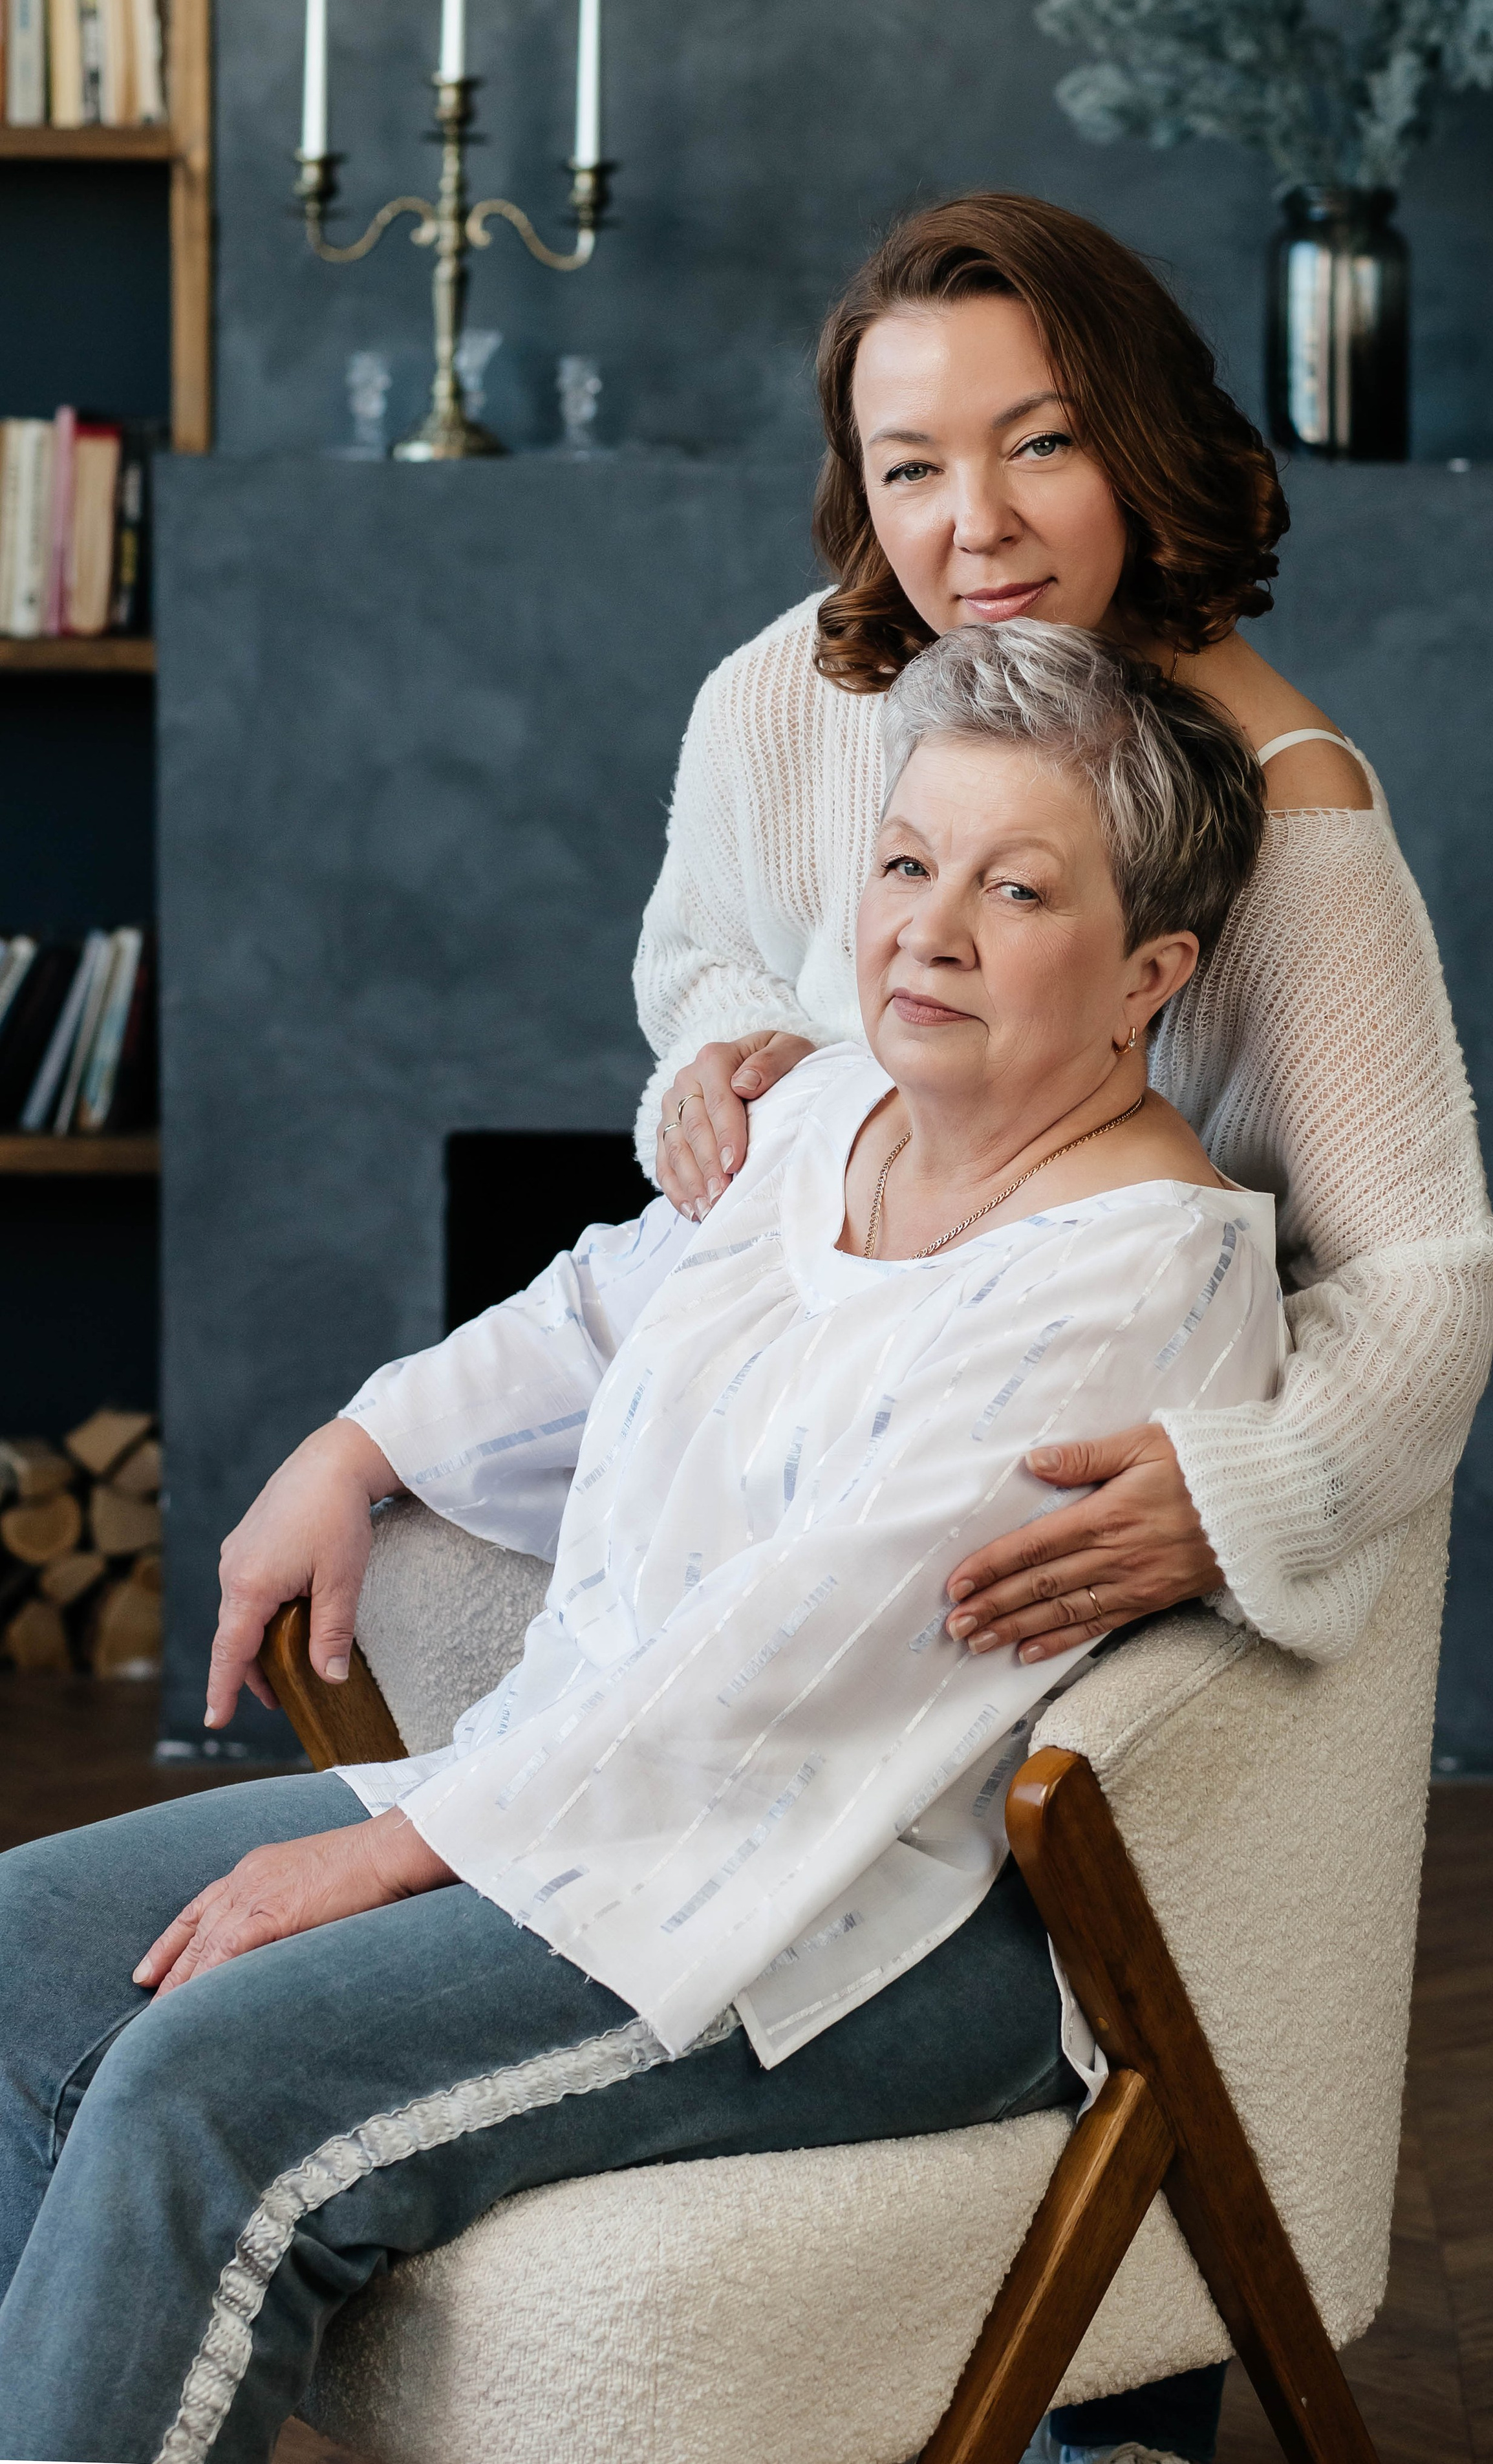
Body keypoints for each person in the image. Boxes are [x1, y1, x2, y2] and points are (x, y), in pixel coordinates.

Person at [1, 624, 1282, 2464]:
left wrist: (395, 1855)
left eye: (1019, 891)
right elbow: (599, 1314)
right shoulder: (836, 1108)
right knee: (28, 1941)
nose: (929, 928)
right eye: (909, 864)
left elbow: (811, 1652)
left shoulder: (1144, 1275)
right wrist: (359, 1444)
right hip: (578, 1807)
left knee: (207, 2089)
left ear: (1150, 971)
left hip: (854, 1919)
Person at [632, 189, 1493, 2464]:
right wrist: (712, 1062)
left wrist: (1243, 1494)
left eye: (1037, 447)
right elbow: (709, 954)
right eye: (911, 464)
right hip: (853, 1426)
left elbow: (1421, 1278)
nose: (976, 525)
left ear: (1142, 444)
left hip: (1091, 1490)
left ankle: (1109, 2399)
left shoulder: (1286, 817)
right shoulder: (784, 698)